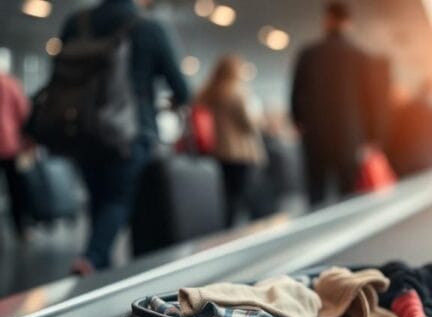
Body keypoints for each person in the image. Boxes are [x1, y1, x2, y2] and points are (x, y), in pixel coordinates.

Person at [59, 0, 189, 274]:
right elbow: (182, 88)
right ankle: (93, 259)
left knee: (98, 201)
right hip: (130, 131)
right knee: (117, 200)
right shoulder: (150, 28)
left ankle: (97, 267)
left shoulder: (76, 23)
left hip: (81, 130)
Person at [290, 1, 371, 207]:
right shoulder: (360, 56)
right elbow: (370, 100)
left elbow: (295, 92)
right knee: (348, 193)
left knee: (316, 192)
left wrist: (298, 121)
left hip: (316, 133)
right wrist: (370, 135)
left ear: (328, 20)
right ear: (349, 23)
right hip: (349, 134)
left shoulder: (309, 54)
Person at [197, 55, 267, 227]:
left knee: (225, 195)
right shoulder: (236, 91)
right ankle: (237, 231)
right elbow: (248, 122)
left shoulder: (210, 92)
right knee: (241, 195)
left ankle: (224, 228)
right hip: (240, 152)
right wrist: (260, 119)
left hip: (218, 151)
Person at [388, 80, 432, 176]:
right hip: (428, 162)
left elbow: (396, 140)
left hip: (408, 165)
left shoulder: (405, 112)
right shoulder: (429, 109)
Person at [0, 70, 30, 242]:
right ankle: (21, 229)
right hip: (10, 145)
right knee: (16, 190)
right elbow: (23, 112)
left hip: (8, 144)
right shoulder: (11, 83)